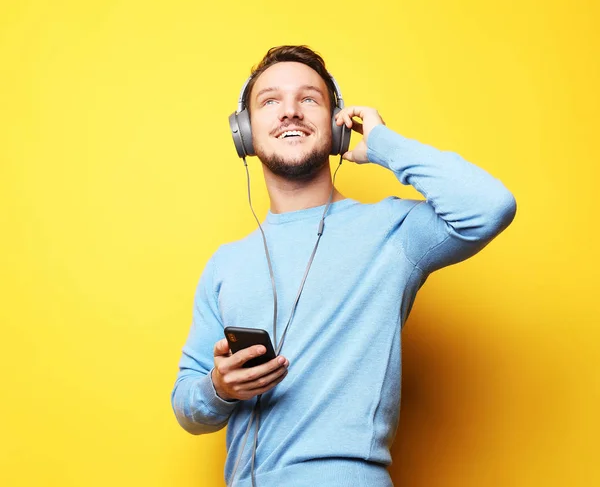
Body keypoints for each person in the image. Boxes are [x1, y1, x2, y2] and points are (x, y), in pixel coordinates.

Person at [171, 45, 517, 487]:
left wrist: (385, 145)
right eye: (270, 101)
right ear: (244, 131)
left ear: (338, 127)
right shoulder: (225, 264)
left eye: (309, 99)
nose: (290, 112)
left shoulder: (392, 232)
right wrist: (219, 388)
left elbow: (490, 206)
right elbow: (187, 404)